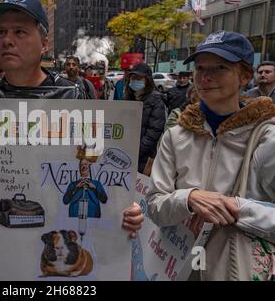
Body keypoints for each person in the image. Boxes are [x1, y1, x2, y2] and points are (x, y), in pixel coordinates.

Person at [130, 31, 275, 280]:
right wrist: (189, 198)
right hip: (179, 266)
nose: (206, 76)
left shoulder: (266, 137)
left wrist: (233, 208)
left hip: (236, 268)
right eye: (199, 68)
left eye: (219, 67)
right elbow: (154, 205)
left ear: (244, 76)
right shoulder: (176, 136)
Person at [0, 0, 86, 98]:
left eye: (19, 32)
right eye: (1, 32)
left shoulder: (71, 96)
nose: (6, 41)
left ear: (43, 44)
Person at [124, 63, 166, 174]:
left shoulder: (156, 101)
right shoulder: (128, 99)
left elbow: (153, 133)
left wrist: (135, 151)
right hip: (125, 155)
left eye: (139, 78)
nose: (135, 80)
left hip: (144, 158)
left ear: (147, 80)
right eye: (133, 77)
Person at [63, 148, 107, 218]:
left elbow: (104, 200)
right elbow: (65, 201)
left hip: (93, 215)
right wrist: (76, 188)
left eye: (86, 164)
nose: (84, 166)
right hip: (75, 215)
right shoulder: (73, 184)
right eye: (81, 165)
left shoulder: (96, 184)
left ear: (89, 167)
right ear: (79, 168)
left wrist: (94, 188)